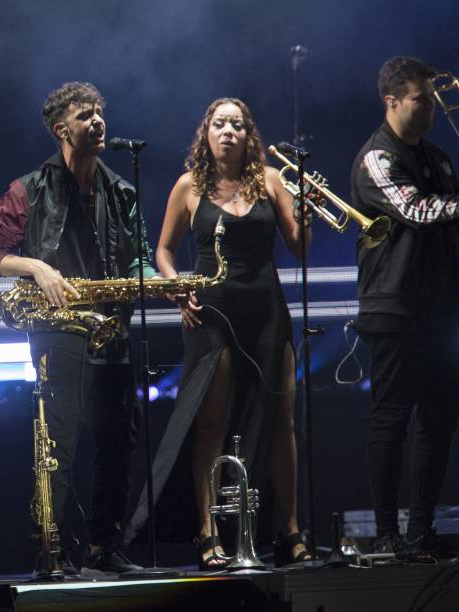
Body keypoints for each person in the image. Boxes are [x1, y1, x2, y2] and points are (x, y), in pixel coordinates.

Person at [0, 82, 156, 576]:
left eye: (100, 112)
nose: (98, 121)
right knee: (58, 443)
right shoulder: (27, 189)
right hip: (56, 328)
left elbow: (139, 253)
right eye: (85, 115)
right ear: (62, 130)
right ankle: (52, 550)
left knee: (118, 441)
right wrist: (35, 266)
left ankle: (105, 547)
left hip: (111, 328)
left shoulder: (121, 191)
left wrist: (157, 281)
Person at [126, 98, 313, 569]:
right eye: (219, 123)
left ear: (249, 135)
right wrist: (176, 288)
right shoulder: (189, 186)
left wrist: (305, 213)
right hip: (211, 312)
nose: (228, 130)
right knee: (211, 422)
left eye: (237, 124)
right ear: (205, 133)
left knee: (280, 418)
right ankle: (208, 533)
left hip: (267, 309)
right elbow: (164, 251)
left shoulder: (271, 180)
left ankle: (288, 529)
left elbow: (300, 247)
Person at [350, 56, 459, 555]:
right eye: (421, 100)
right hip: (394, 307)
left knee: (440, 421)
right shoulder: (376, 158)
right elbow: (417, 211)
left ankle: (420, 529)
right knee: (391, 421)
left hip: (443, 308)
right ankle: (385, 533)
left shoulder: (440, 157)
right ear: (392, 101)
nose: (430, 110)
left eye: (431, 100)